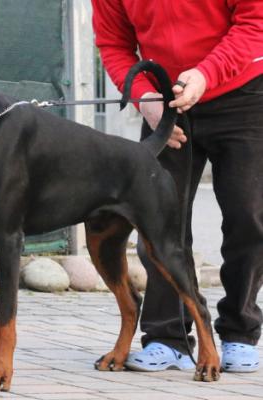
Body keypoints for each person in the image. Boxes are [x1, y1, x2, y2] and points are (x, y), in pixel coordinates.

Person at [91, 0, 263, 373]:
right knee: (159, 223)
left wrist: (206, 73)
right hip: (165, 103)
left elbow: (254, 22)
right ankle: (168, 338)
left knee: (248, 216)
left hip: (243, 93)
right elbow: (113, 43)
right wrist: (143, 97)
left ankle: (240, 331)